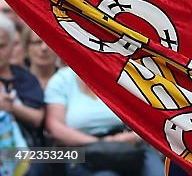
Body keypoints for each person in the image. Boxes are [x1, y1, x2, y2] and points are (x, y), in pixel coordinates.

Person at [45, 66, 163, 176]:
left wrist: (135, 136)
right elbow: (55, 126)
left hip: (129, 145)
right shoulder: (62, 80)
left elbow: (149, 117)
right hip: (83, 151)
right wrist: (101, 143)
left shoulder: (118, 73)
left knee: (158, 173)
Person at [0, 16, 44, 148]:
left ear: (12, 46)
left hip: (27, 152)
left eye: (1, 46)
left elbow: (37, 118)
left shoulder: (26, 78)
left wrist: (10, 107)